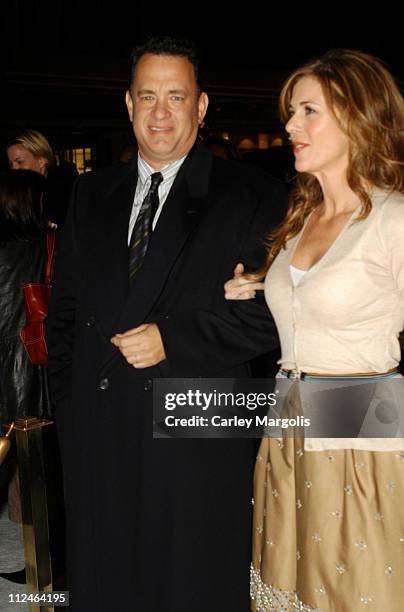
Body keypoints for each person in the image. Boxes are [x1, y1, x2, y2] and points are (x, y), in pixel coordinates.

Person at [46, 36, 287, 611]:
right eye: (147, 96)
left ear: (201, 107)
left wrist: (171, 340)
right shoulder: (90, 191)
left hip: (194, 436)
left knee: (189, 587)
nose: (160, 113)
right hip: (101, 434)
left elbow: (276, 318)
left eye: (175, 97)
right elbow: (66, 314)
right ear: (127, 104)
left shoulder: (254, 194)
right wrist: (71, 408)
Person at [224, 49, 404, 611]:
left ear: (356, 117)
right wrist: (258, 283)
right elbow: (315, 289)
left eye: (308, 111)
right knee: (288, 580)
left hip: (360, 423)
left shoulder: (393, 217)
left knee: (353, 585)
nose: (290, 125)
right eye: (291, 112)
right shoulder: (302, 216)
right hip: (289, 413)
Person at [0, 169, 54, 579]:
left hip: (12, 367)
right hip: (27, 371)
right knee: (36, 470)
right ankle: (40, 569)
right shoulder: (40, 245)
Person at [7, 130, 73, 228]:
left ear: (41, 161)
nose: (14, 169)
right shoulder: (19, 193)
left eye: (20, 162)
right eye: (11, 164)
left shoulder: (62, 195)